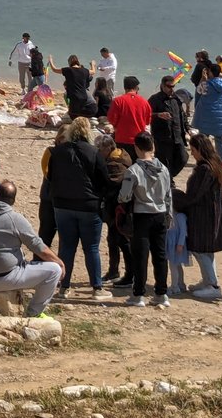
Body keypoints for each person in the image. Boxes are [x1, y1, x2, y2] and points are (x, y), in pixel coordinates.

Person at [0, 179, 65, 316]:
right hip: (4, 278)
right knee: (54, 271)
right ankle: (33, 313)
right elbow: (37, 246)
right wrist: (59, 262)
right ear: (13, 200)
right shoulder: (15, 219)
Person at [46, 116, 112, 300]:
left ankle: (63, 288)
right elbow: (104, 180)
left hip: (62, 205)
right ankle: (97, 289)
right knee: (91, 248)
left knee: (66, 247)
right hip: (88, 206)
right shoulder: (93, 152)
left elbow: (50, 177)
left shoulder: (58, 151)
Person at [117, 130, 172, 308]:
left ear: (137, 148)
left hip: (142, 215)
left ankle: (138, 294)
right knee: (160, 255)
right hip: (161, 214)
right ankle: (161, 293)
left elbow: (124, 197)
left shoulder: (134, 170)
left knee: (140, 256)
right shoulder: (164, 169)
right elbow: (168, 195)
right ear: (153, 147)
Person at [184, 132, 222, 299]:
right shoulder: (215, 163)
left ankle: (212, 284)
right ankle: (208, 280)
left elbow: (195, 194)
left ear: (200, 149)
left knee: (200, 249)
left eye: (193, 150)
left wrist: (178, 200)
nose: (192, 153)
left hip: (204, 215)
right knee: (206, 250)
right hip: (212, 213)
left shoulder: (206, 169)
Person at [96, 133, 132, 287]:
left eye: (100, 149)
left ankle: (130, 273)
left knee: (122, 241)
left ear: (108, 148)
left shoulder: (115, 164)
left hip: (118, 208)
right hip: (115, 208)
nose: (98, 152)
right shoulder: (120, 156)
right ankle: (114, 271)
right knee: (113, 240)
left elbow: (111, 184)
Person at [149, 75, 190, 178]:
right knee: (165, 161)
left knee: (183, 158)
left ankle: (169, 176)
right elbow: (146, 115)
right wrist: (158, 115)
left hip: (177, 135)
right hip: (162, 136)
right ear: (162, 86)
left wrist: (187, 128)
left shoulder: (176, 99)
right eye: (169, 86)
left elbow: (182, 114)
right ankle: (168, 181)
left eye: (173, 86)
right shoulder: (155, 99)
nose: (171, 89)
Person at [192, 61, 222, 161]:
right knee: (219, 139)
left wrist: (202, 79)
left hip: (207, 115)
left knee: (204, 138)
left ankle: (205, 157)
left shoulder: (207, 84)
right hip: (220, 116)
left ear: (211, 73)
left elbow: (199, 91)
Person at [107, 76, 152, 159]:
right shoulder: (144, 102)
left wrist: (117, 126)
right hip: (139, 141)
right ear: (136, 87)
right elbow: (147, 122)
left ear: (124, 87)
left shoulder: (118, 101)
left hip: (121, 139)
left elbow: (111, 119)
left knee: (123, 166)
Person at [48, 53, 96, 118]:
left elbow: (54, 69)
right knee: (78, 115)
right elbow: (93, 71)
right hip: (84, 97)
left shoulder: (68, 70)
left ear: (69, 62)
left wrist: (50, 60)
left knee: (72, 115)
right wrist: (92, 64)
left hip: (74, 97)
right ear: (78, 62)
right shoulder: (84, 70)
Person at [167, 189, 191, 295]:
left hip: (176, 244)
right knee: (177, 265)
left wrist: (180, 244)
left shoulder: (180, 216)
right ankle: (181, 284)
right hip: (173, 243)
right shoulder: (175, 215)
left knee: (173, 266)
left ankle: (175, 286)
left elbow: (183, 232)